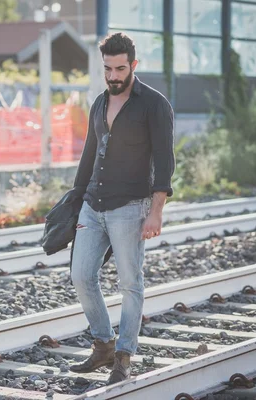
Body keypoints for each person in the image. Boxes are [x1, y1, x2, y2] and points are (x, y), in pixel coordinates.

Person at [68, 32, 175, 385]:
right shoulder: (99, 102)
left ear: (133, 65)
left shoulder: (154, 104)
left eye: (120, 68)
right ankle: (103, 345)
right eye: (108, 69)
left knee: (130, 282)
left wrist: (156, 210)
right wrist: (74, 200)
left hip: (131, 206)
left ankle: (124, 355)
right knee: (82, 276)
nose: (114, 75)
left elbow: (164, 160)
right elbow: (88, 154)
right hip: (92, 205)